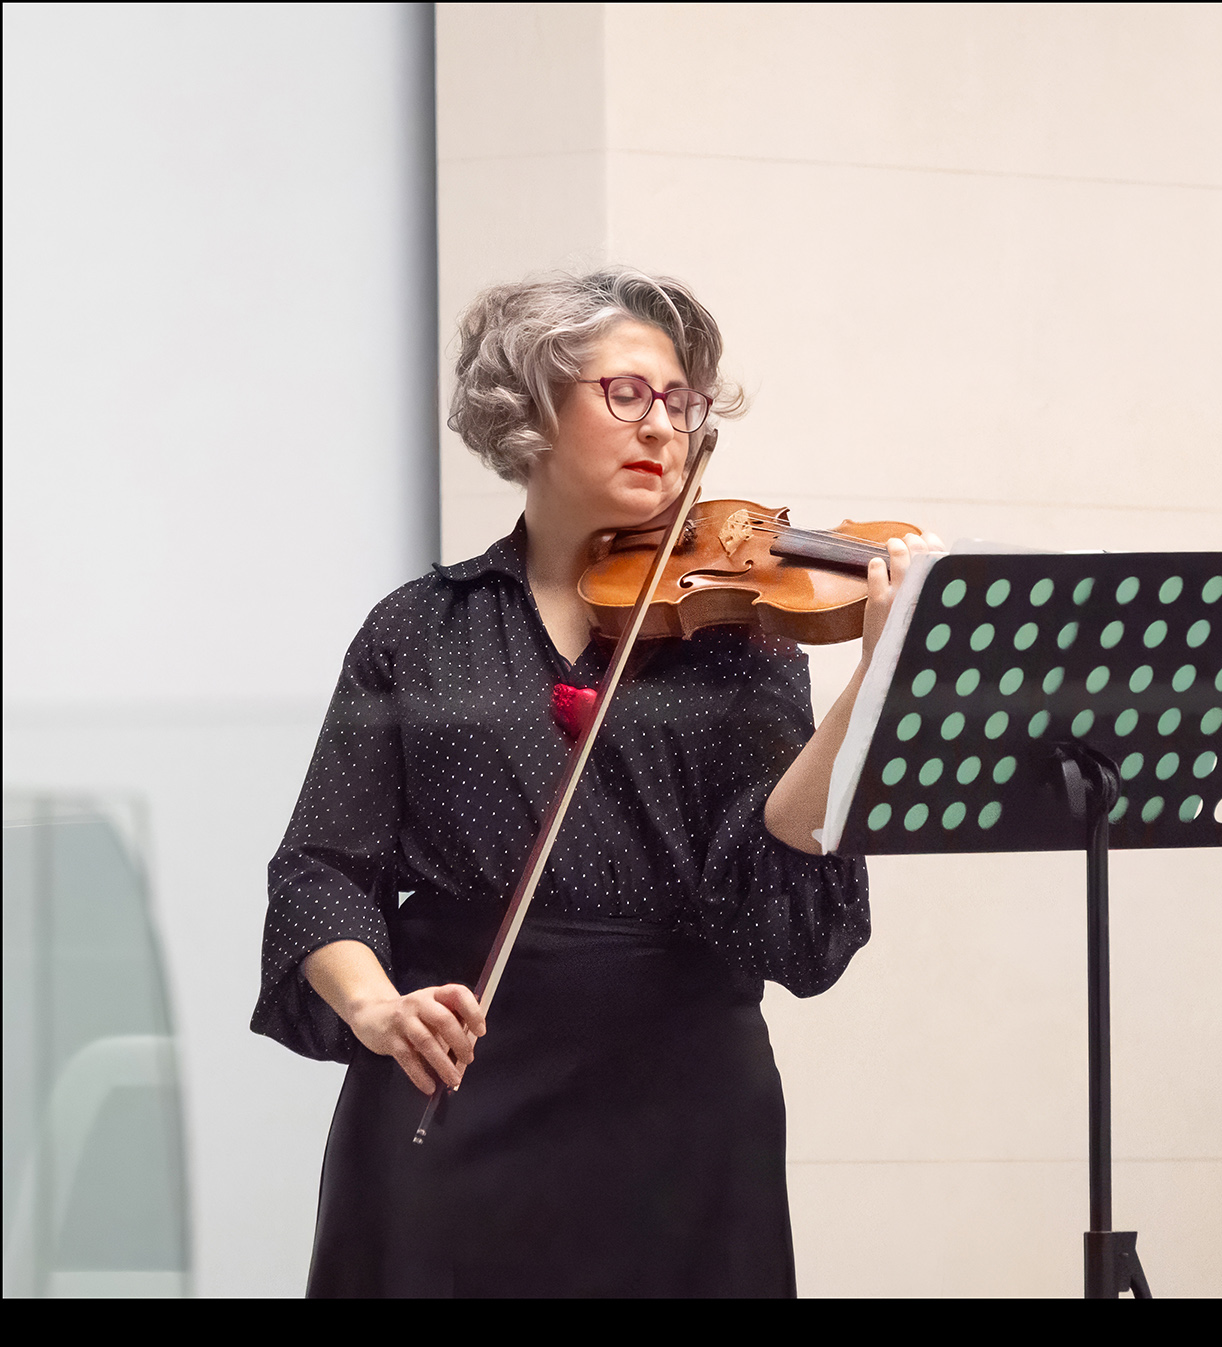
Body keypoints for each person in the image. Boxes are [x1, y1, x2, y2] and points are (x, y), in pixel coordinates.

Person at [251, 266, 940, 1296]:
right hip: (455, 1086)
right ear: (528, 407)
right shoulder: (418, 629)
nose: (662, 425)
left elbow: (778, 901)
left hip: (680, 1110)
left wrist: (873, 688)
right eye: (626, 394)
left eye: (681, 402)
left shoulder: (742, 638)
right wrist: (377, 1008)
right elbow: (321, 869)